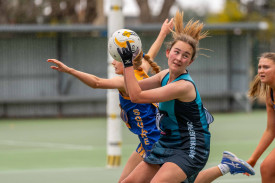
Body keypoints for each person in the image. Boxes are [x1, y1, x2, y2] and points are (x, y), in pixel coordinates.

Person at [118, 11, 255, 183]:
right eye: (176, 52)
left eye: (185, 55)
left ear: (190, 62)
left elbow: (136, 96)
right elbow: (132, 89)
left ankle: (225, 166)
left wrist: (128, 63)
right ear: (168, 53)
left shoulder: (184, 86)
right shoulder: (164, 75)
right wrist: (128, 63)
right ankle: (225, 166)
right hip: (167, 142)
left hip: (190, 148)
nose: (179, 58)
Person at [47, 18, 173, 183]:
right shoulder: (141, 69)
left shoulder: (125, 81)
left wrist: (69, 70)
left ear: (127, 61)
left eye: (116, 58)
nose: (113, 62)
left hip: (154, 142)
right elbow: (151, 54)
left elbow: (96, 83)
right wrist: (163, 32)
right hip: (146, 141)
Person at [245, 52, 275, 183]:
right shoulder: (270, 95)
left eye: (266, 67)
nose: (261, 71)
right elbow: (271, 130)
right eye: (259, 67)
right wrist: (253, 159)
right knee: (266, 168)